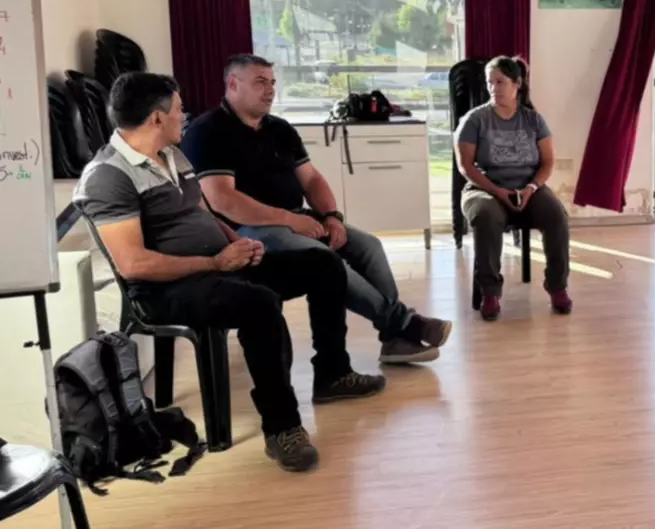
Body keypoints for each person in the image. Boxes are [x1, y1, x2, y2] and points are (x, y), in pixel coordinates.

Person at [74, 73, 387, 473]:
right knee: (259, 303)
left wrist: (237, 242)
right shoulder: (108, 176)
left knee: (322, 263)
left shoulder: (171, 154)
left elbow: (201, 212)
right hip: (166, 288)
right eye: (179, 109)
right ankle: (282, 428)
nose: (184, 115)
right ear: (156, 118)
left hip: (218, 263)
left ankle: (332, 372)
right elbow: (135, 264)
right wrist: (216, 263)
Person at [181, 55, 452, 365]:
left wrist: (332, 217)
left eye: (272, 83)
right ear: (233, 84)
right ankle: (402, 324)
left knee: (369, 245)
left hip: (295, 219)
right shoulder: (207, 131)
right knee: (326, 261)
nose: (270, 90)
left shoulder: (279, 129)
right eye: (260, 82)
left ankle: (394, 337)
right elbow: (223, 200)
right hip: (244, 232)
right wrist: (288, 220)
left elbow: (311, 179)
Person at [455, 56, 572, 321]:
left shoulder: (533, 120)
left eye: (500, 82)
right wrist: (497, 191)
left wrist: (531, 187)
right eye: (490, 82)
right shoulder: (475, 120)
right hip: (485, 188)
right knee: (485, 216)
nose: (494, 88)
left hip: (528, 187)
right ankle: (490, 292)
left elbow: (548, 162)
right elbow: (466, 166)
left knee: (556, 216)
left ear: (517, 84)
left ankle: (557, 287)